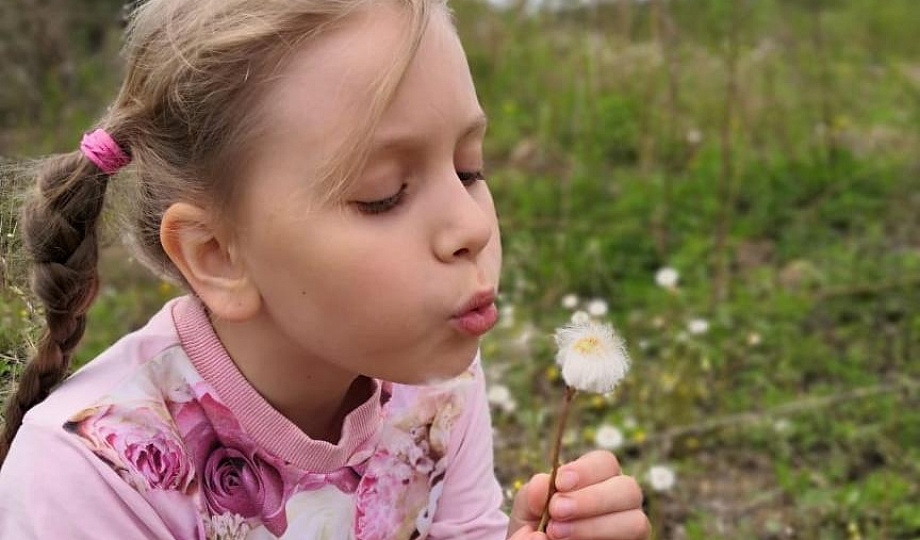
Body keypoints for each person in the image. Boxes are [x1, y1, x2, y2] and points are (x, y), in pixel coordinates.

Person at [0, 1, 649, 538]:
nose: (472, 226)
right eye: (384, 195)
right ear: (218, 255)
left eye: (469, 168)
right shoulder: (92, 478)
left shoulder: (430, 377)